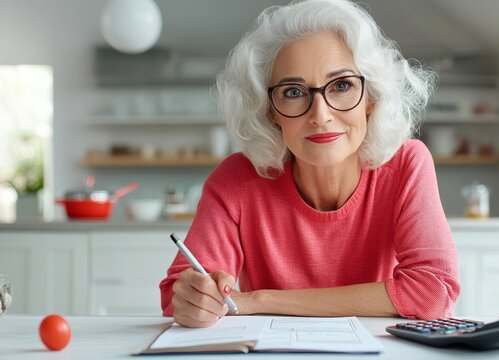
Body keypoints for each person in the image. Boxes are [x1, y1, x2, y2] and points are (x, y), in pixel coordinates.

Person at [160, 0, 460, 328]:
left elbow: (434, 289)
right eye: (293, 92)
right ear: (269, 110)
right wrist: (193, 298)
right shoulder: (238, 179)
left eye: (342, 85)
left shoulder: (405, 165)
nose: (320, 115)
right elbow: (176, 295)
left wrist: (260, 299)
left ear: (371, 99)